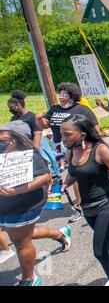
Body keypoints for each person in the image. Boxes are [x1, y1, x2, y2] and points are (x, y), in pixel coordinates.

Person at [60, 114, 109, 286]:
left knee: (99, 250)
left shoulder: (100, 150)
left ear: (82, 134)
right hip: (87, 207)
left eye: (67, 134)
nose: (63, 138)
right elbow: (74, 173)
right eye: (62, 134)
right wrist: (64, 184)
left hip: (106, 204)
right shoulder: (71, 150)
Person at [0, 122, 70, 286]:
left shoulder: (29, 153)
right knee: (23, 234)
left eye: (3, 133)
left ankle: (29, 278)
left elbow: (46, 178)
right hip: (3, 205)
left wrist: (17, 191)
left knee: (21, 242)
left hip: (23, 205)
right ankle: (60, 235)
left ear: (14, 138)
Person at [36, 82, 99, 223]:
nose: (61, 97)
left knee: (75, 174)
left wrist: (96, 146)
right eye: (60, 94)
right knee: (74, 174)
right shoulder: (54, 109)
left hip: (77, 147)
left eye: (65, 94)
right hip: (59, 147)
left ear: (72, 96)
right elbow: (44, 125)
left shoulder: (82, 110)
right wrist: (39, 118)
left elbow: (95, 129)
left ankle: (79, 205)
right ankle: (82, 202)